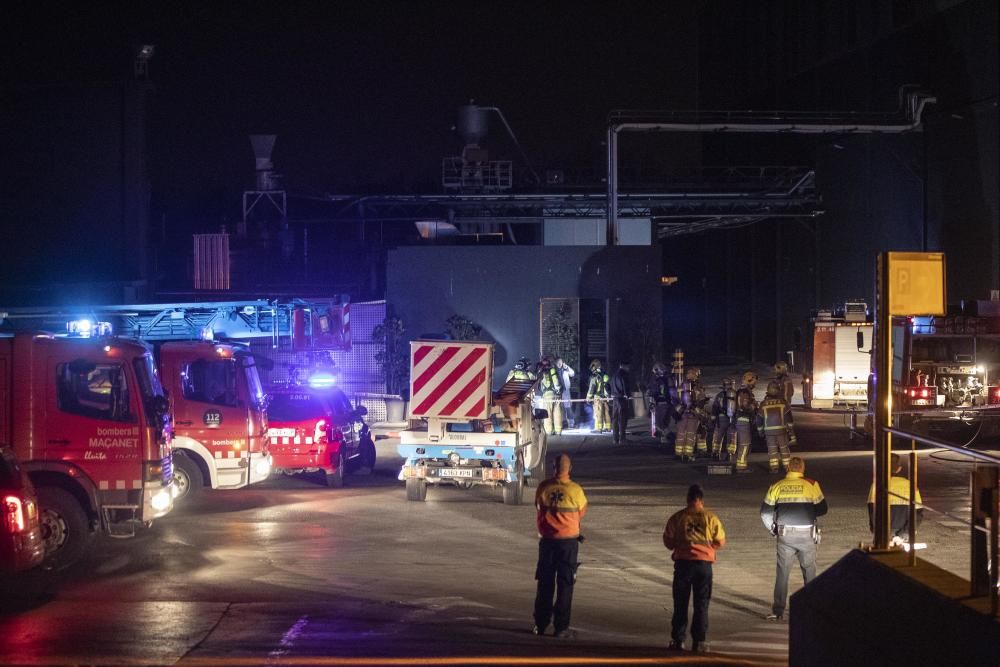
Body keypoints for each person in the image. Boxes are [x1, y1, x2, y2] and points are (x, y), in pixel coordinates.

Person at [760, 456, 827, 621]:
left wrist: (773, 528)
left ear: (788, 468)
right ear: (802, 469)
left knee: (782, 573)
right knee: (809, 571)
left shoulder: (777, 486)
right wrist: (808, 512)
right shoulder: (811, 484)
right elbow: (823, 509)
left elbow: (765, 512)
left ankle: (778, 611)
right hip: (806, 535)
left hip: (785, 535)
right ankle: (812, 609)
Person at [663, 484, 726, 653]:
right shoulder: (711, 518)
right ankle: (699, 642)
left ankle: (678, 640)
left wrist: (680, 545)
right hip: (703, 566)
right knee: (702, 604)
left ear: (687, 499)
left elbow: (668, 541)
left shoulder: (678, 517)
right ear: (701, 500)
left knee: (680, 603)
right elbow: (720, 541)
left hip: (683, 565)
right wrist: (708, 548)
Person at [533, 453, 588, 638]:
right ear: (569, 469)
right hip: (568, 545)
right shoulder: (576, 491)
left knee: (545, 584)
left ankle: (540, 625)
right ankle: (561, 627)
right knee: (565, 585)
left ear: (554, 468)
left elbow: (538, 507)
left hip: (547, 543)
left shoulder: (543, 488)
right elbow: (581, 513)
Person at [867, 453, 923, 544]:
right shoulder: (910, 485)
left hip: (883, 534)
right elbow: (918, 514)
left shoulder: (876, 485)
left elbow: (872, 513)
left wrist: (880, 533)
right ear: (899, 468)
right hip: (903, 534)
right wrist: (904, 534)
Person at [675, 367, 708, 462]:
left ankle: (678, 454)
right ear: (695, 375)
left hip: (682, 414)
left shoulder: (681, 386)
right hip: (693, 414)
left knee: (681, 434)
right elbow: (701, 399)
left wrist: (678, 411)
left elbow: (676, 399)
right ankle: (687, 454)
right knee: (690, 435)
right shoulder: (697, 387)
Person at [759, 379, 792, 473]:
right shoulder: (783, 402)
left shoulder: (763, 404)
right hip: (781, 431)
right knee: (784, 448)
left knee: (772, 450)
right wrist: (790, 430)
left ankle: (774, 468)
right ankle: (787, 467)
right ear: (778, 390)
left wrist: (760, 431)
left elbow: (759, 419)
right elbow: (788, 417)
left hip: (768, 432)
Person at [733, 371, 760, 472]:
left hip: (744, 421)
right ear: (750, 381)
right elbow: (744, 406)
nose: (754, 385)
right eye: (754, 382)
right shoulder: (745, 392)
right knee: (745, 443)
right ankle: (741, 466)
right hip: (743, 421)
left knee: (746, 443)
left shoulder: (744, 391)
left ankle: (742, 464)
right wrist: (753, 406)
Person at [710, 378, 737, 461]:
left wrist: (713, 420)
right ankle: (730, 454)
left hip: (721, 419)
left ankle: (715, 453)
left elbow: (715, 408)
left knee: (717, 436)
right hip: (732, 419)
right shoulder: (736, 395)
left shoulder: (719, 395)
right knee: (731, 437)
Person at [646, 362, 672, 444]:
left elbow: (653, 392)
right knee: (665, 422)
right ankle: (664, 440)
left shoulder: (657, 380)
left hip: (660, 404)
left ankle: (670, 436)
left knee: (659, 423)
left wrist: (651, 403)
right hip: (668, 403)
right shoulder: (668, 378)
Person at [773, 361, 797, 446]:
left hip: (784, 403)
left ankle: (791, 438)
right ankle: (781, 439)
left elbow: (789, 392)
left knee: (787, 421)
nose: (775, 371)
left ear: (781, 369)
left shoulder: (786, 379)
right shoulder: (778, 379)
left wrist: (786, 402)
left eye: (776, 369)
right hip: (778, 403)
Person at [538, 358, 564, 436]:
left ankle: (549, 431)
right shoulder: (553, 370)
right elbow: (557, 382)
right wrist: (558, 390)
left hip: (547, 396)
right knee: (557, 412)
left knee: (547, 413)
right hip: (557, 395)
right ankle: (558, 430)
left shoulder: (541, 372)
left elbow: (540, 385)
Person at [586, 359, 611, 433]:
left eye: (592, 367)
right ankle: (608, 427)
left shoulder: (595, 376)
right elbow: (608, 386)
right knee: (606, 412)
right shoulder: (605, 374)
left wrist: (588, 397)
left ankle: (599, 429)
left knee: (598, 413)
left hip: (598, 397)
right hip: (605, 398)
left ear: (594, 366)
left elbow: (592, 387)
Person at [610, 359, 632, 445]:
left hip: (615, 398)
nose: (629, 368)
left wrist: (611, 393)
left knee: (615, 419)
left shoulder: (614, 375)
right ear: (624, 366)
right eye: (628, 366)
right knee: (622, 419)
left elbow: (609, 385)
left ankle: (615, 438)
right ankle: (622, 438)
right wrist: (627, 394)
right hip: (622, 398)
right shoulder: (623, 374)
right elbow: (625, 385)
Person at [555, 357, 576, 429]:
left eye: (560, 363)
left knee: (568, 407)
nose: (559, 364)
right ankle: (562, 423)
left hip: (566, 391)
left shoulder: (565, 369)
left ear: (562, 362)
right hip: (557, 392)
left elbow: (572, 373)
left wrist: (567, 367)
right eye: (558, 363)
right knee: (559, 408)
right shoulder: (554, 371)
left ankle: (571, 423)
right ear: (555, 363)